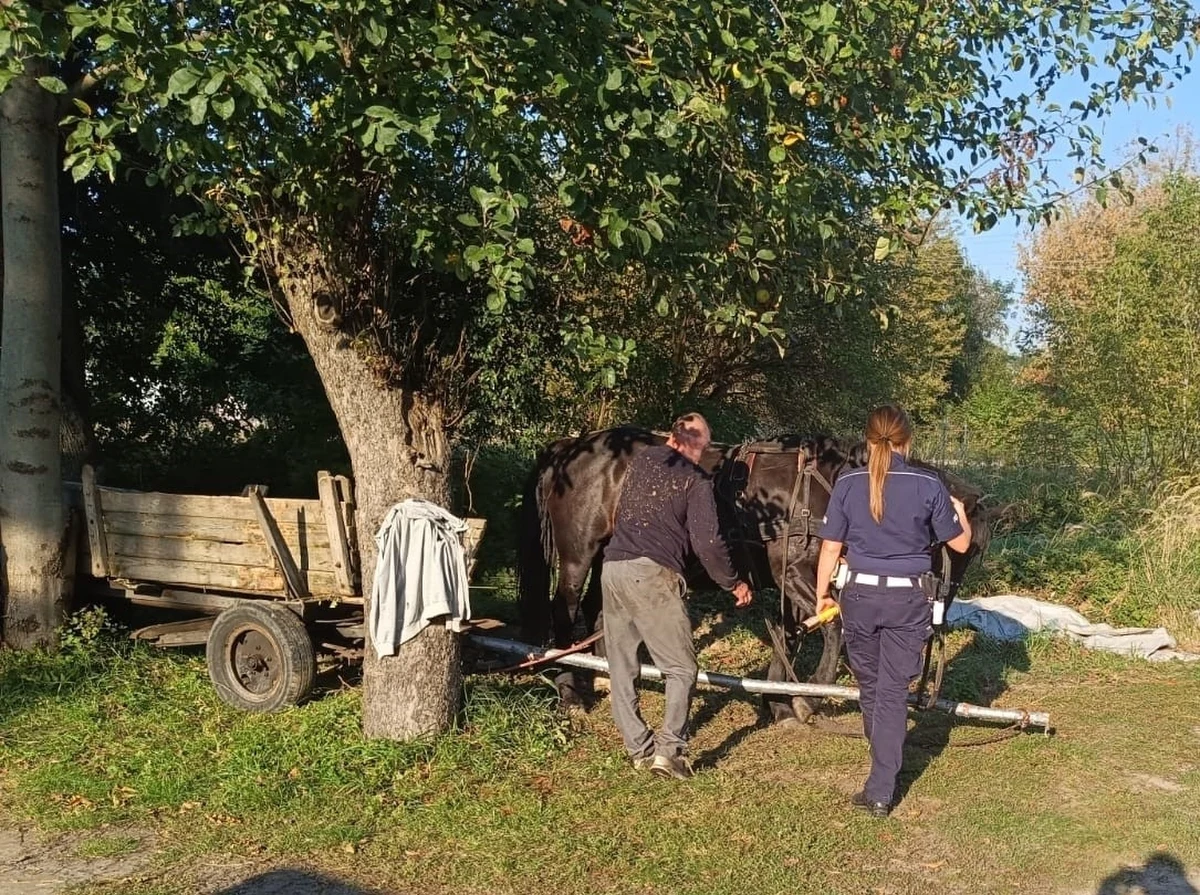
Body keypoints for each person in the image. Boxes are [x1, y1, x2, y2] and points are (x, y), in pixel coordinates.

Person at [814, 404, 972, 817]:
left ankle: (880, 772)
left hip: (860, 597)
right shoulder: (928, 483)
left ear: (867, 441)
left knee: (872, 686)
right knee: (890, 691)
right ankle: (883, 785)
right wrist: (959, 512)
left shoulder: (847, 482)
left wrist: (822, 596)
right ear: (908, 440)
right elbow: (959, 544)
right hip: (908, 599)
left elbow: (831, 547)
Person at [602, 412, 754, 779]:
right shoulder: (696, 481)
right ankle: (669, 752)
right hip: (652, 575)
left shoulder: (642, 460)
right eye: (704, 446)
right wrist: (733, 582)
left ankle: (638, 749)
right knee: (681, 667)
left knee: (622, 666)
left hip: (613, 569)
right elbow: (708, 543)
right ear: (698, 445)